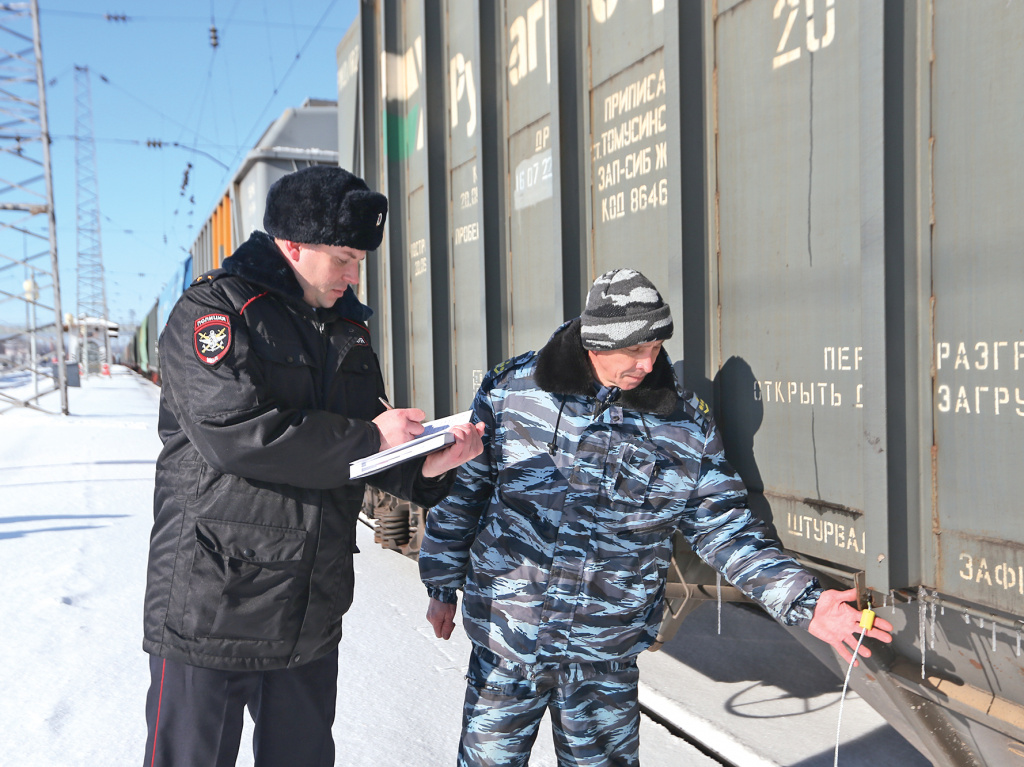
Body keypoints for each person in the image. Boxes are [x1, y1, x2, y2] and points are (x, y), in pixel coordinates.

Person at [419, 268, 893, 767]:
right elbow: (463, 493)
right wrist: (441, 584)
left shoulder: (684, 425)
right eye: (635, 350)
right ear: (596, 342)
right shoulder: (513, 392)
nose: (648, 363)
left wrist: (806, 603)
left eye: (657, 347)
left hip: (604, 656)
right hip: (507, 639)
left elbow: (724, 529)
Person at [142, 164, 484, 767]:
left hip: (307, 605)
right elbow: (237, 435)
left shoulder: (346, 326)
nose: (354, 276)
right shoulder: (215, 311)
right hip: (214, 601)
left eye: (360, 261)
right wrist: (372, 439)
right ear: (293, 245)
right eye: (344, 259)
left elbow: (360, 440)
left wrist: (425, 467)